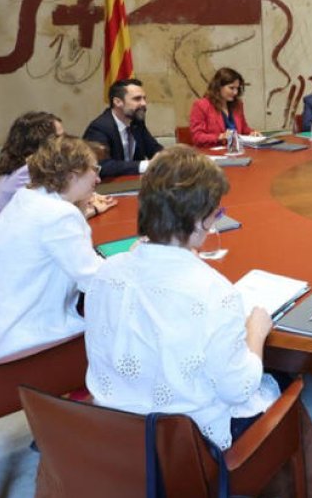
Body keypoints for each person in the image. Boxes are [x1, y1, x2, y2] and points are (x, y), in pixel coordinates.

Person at [84, 146, 281, 450]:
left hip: (111, 432)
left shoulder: (106, 271)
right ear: (201, 221)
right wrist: (255, 333)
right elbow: (238, 389)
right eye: (216, 213)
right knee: (282, 379)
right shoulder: (216, 292)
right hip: (183, 449)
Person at [0, 136, 104, 361]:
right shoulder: (60, 215)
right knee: (114, 324)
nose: (97, 179)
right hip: (17, 337)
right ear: (72, 175)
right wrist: (131, 259)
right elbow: (95, 280)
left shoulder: (27, 197)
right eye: (94, 169)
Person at [0, 111, 114, 240]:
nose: (65, 142)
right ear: (41, 143)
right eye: (59, 137)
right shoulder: (28, 172)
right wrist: (93, 207)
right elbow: (55, 222)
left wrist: (87, 197)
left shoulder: (21, 165)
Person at [84, 78, 164, 178]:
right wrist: (146, 165)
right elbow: (101, 166)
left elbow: (155, 149)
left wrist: (165, 157)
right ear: (117, 102)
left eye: (144, 98)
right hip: (107, 187)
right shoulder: (99, 128)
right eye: (137, 99)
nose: (144, 103)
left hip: (132, 184)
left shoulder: (137, 123)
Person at [188, 67, 259, 146]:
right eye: (231, 88)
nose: (235, 92)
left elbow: (244, 129)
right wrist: (220, 136)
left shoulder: (238, 104)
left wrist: (252, 133)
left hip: (236, 152)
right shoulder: (201, 105)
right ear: (219, 86)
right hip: (212, 154)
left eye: (237, 88)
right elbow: (197, 137)